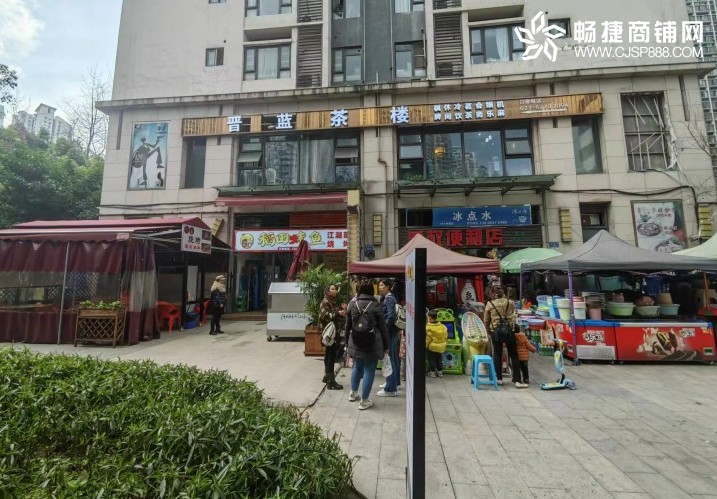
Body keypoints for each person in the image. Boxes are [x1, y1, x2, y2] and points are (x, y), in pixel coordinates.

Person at [344, 280, 389, 410]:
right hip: (372, 341)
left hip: (356, 340)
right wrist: (386, 345)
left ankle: (353, 393)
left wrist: (346, 342)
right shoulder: (376, 305)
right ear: (371, 290)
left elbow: (347, 325)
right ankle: (364, 401)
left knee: (357, 366)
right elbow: (383, 327)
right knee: (369, 369)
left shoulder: (353, 304)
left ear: (359, 290)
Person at [483, 284, 523, 388]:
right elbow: (513, 314)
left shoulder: (490, 304)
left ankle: (499, 379)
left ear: (493, 293)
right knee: (514, 355)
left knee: (497, 355)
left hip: (496, 332)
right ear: (503, 292)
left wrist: (489, 333)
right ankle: (517, 380)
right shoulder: (510, 302)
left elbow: (486, 321)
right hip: (509, 331)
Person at [319, 283, 346, 390]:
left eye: (335, 289)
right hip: (329, 334)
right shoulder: (325, 301)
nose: (335, 291)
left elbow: (333, 313)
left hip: (333, 333)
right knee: (331, 356)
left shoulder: (332, 301)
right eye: (333, 289)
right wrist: (338, 313)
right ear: (327, 291)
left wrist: (341, 309)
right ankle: (331, 382)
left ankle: (327, 376)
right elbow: (325, 315)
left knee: (329, 354)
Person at [377, 279, 400, 397]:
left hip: (389, 333)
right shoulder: (388, 298)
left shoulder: (389, 299)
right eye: (379, 285)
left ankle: (390, 389)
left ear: (388, 287)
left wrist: (384, 329)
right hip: (392, 333)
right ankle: (394, 383)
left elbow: (390, 316)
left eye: (382, 285)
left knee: (389, 360)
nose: (380, 287)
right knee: (393, 359)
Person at [426, 309, 448, 377]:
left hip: (432, 347)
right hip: (441, 347)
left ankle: (432, 372)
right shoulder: (443, 326)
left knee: (432, 360)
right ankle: (440, 372)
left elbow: (428, 339)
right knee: (439, 359)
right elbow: (446, 336)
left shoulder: (428, 327)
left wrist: (425, 346)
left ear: (429, 318)